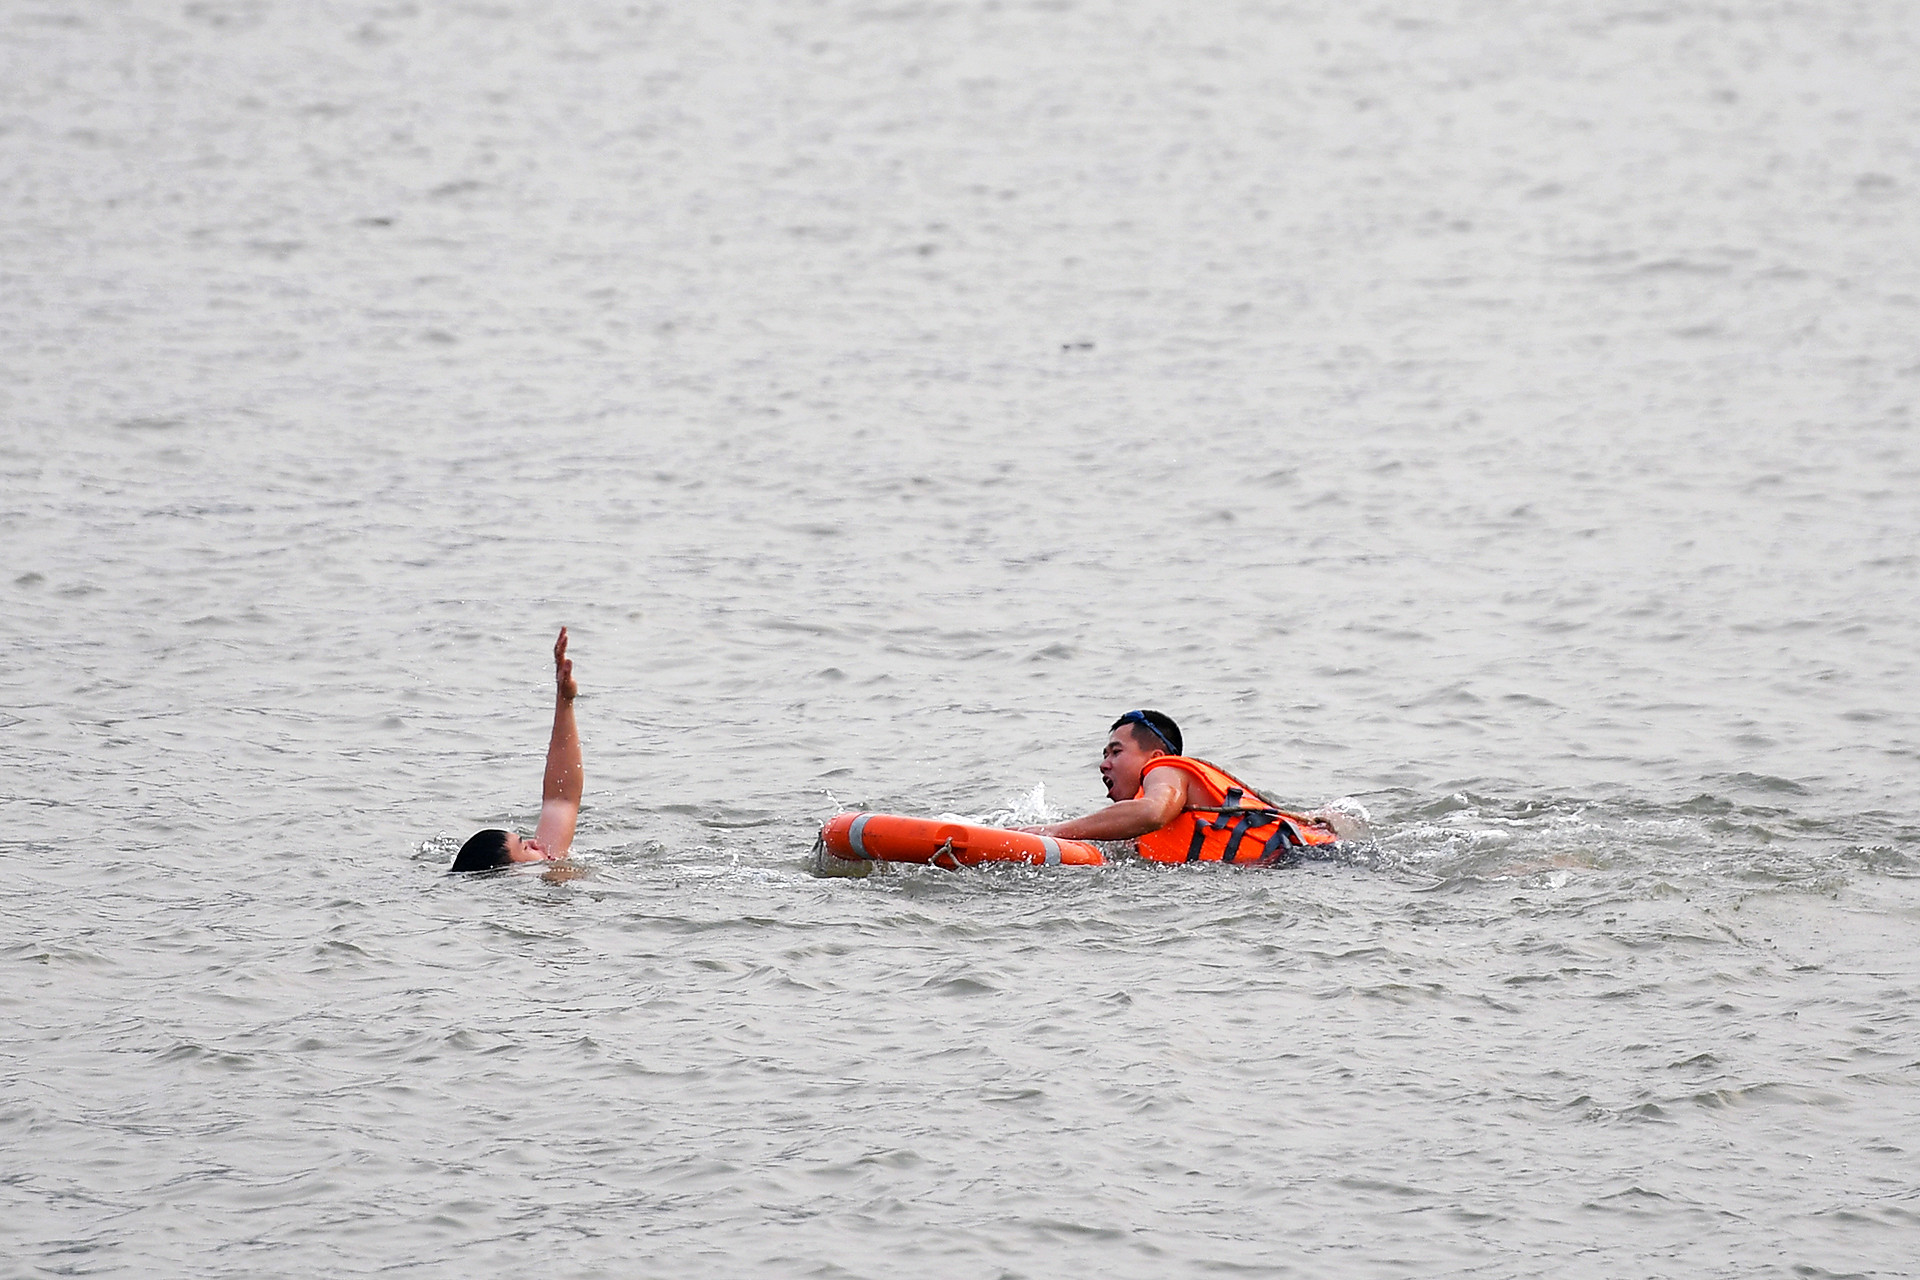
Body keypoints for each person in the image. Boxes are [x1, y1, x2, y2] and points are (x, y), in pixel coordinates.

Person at [1018, 710, 1348, 864]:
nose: (1104, 764)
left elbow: (1152, 812)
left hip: (1312, 863)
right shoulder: (1136, 836)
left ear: (1155, 755)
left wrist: (1051, 831)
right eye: (1103, 755)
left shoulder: (1165, 770)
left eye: (1116, 752)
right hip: (1303, 866)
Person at [449, 628, 582, 873]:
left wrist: (565, 700)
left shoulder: (543, 866)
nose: (534, 842)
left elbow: (561, 799)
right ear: (510, 873)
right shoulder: (547, 881)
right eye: (525, 848)